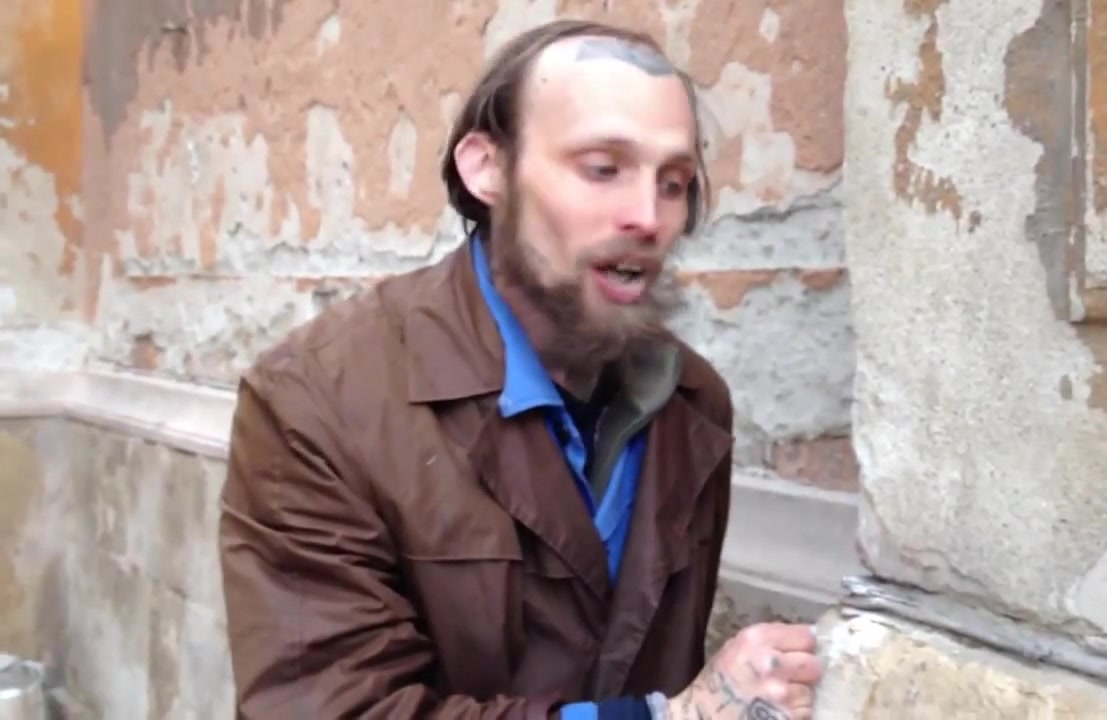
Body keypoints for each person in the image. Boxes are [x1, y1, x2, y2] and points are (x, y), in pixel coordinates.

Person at [218, 18, 824, 720]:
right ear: (487, 168)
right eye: (603, 168)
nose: (648, 216)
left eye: (674, 182)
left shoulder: (691, 401)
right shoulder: (315, 401)